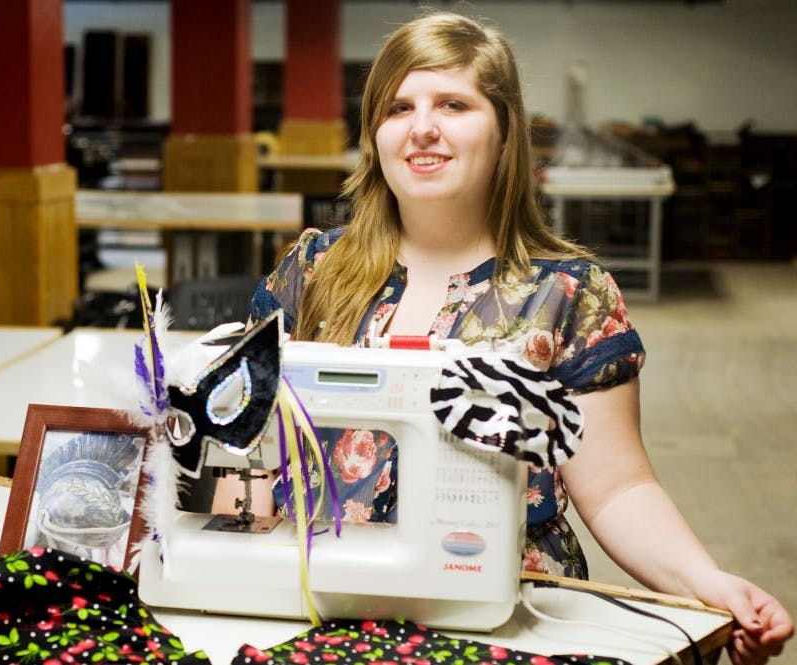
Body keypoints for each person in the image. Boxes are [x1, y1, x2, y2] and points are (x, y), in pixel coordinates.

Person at [212, 11, 792, 664]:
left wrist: (710, 585)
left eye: (453, 104)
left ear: (505, 133)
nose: (423, 126)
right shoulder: (311, 274)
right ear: (374, 135)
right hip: (323, 601)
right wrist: (231, 580)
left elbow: (618, 487)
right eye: (398, 106)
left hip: (508, 611)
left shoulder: (568, 295)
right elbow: (253, 462)